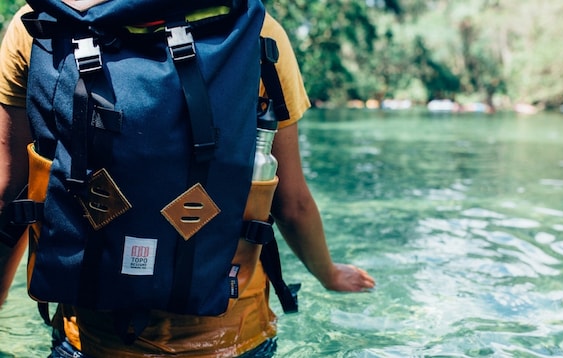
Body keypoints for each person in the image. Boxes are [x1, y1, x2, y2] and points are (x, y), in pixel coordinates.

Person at [0, 4, 376, 357]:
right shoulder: (254, 28)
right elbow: (291, 203)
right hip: (232, 336)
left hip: (93, 337)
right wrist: (328, 274)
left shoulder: (41, 23)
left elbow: (11, 196)